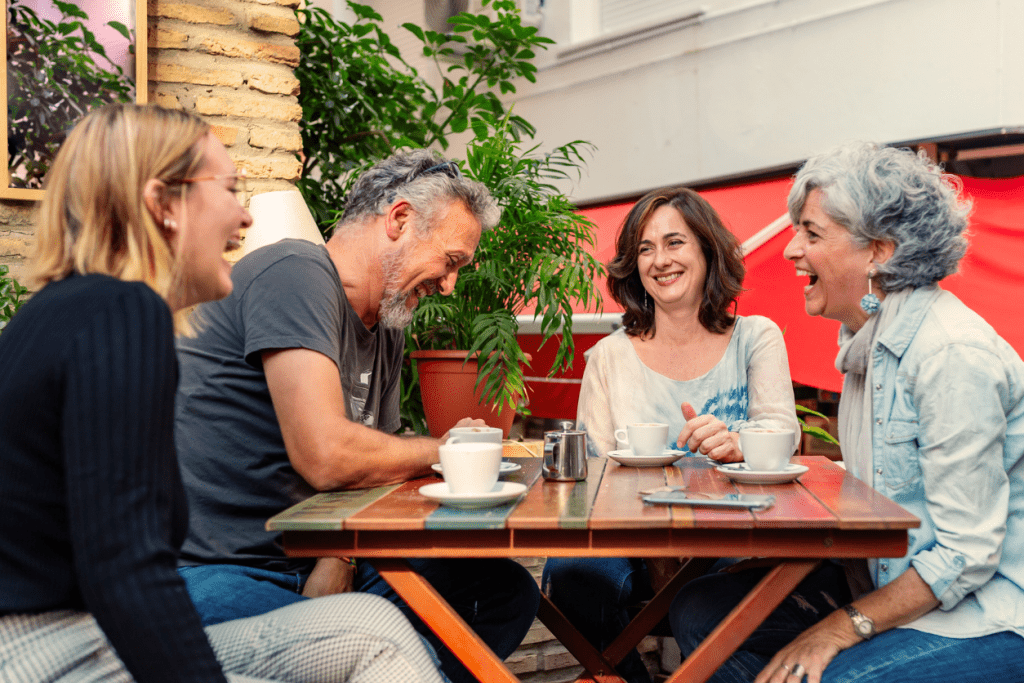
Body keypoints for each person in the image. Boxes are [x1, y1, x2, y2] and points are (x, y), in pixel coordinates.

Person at [0, 103, 444, 683]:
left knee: (374, 629)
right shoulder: (121, 313)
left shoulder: (69, 311)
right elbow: (126, 566)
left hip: (86, 635)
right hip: (45, 654)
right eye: (230, 189)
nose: (243, 217)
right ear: (163, 203)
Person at [173, 148, 541, 683]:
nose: (449, 285)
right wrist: (446, 448)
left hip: (310, 559)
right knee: (384, 633)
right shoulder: (294, 273)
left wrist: (338, 559)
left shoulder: (387, 323)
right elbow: (328, 456)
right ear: (399, 219)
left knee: (502, 592)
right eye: (452, 260)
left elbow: (374, 475)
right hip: (221, 571)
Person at [670, 141, 1024, 683]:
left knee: (835, 677)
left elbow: (965, 555)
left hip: (985, 614)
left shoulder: (951, 356)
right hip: (885, 584)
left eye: (812, 234)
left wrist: (838, 629)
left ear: (878, 251)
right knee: (701, 614)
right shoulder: (865, 344)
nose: (792, 250)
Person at [544, 187, 800, 683]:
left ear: (707, 249)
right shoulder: (609, 358)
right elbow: (592, 476)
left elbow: (782, 434)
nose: (660, 260)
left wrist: (739, 444)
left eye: (675, 242)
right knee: (573, 576)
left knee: (724, 595)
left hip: (736, 536)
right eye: (645, 248)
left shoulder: (756, 337)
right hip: (633, 540)